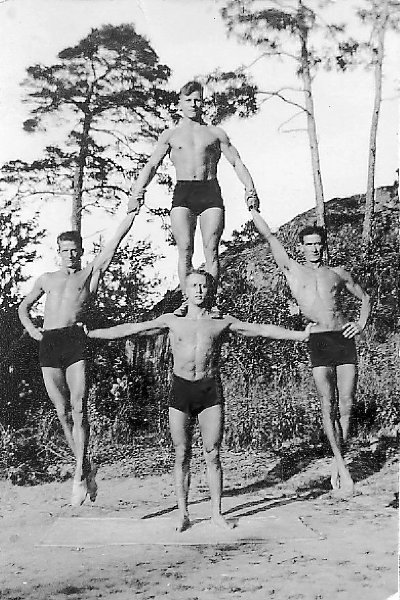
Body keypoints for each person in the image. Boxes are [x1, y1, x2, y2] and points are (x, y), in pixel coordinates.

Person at [87, 269, 312, 531]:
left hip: (209, 390)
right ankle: (183, 514)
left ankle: (216, 514)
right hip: (181, 389)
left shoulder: (221, 321)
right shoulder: (171, 320)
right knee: (181, 453)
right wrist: (92, 334)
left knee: (212, 453)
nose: (199, 290)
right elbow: (133, 329)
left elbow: (260, 330)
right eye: (193, 286)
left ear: (210, 290)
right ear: (185, 290)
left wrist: (299, 335)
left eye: (203, 286)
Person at [18, 210, 139, 506]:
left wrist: (131, 213)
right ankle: (86, 469)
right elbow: (23, 307)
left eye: (75, 250)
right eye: (65, 251)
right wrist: (33, 331)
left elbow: (113, 244)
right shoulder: (46, 279)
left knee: (79, 408)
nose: (70, 255)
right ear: (58, 252)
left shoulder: (88, 275)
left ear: (81, 251)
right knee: (61, 411)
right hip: (49, 342)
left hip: (74, 340)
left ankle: (77, 477)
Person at [250, 209, 371, 495]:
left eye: (318, 243)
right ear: (301, 247)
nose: (314, 248)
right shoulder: (292, 269)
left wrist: (360, 323)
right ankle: (342, 467)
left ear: (323, 246)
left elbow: (365, 297)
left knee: (346, 405)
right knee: (328, 404)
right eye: (309, 244)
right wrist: (253, 210)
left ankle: (338, 465)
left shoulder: (338, 273)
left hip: (343, 337)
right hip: (318, 340)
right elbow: (269, 236)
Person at [128, 80, 259, 313]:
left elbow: (236, 162)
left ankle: (211, 301)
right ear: (180, 103)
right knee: (185, 249)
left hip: (210, 190)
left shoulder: (215, 133)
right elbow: (152, 165)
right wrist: (137, 192)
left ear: (203, 102)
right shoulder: (171, 135)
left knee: (211, 250)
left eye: (197, 100)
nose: (193, 104)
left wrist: (250, 189)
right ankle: (186, 301)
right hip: (184, 191)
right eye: (188, 100)